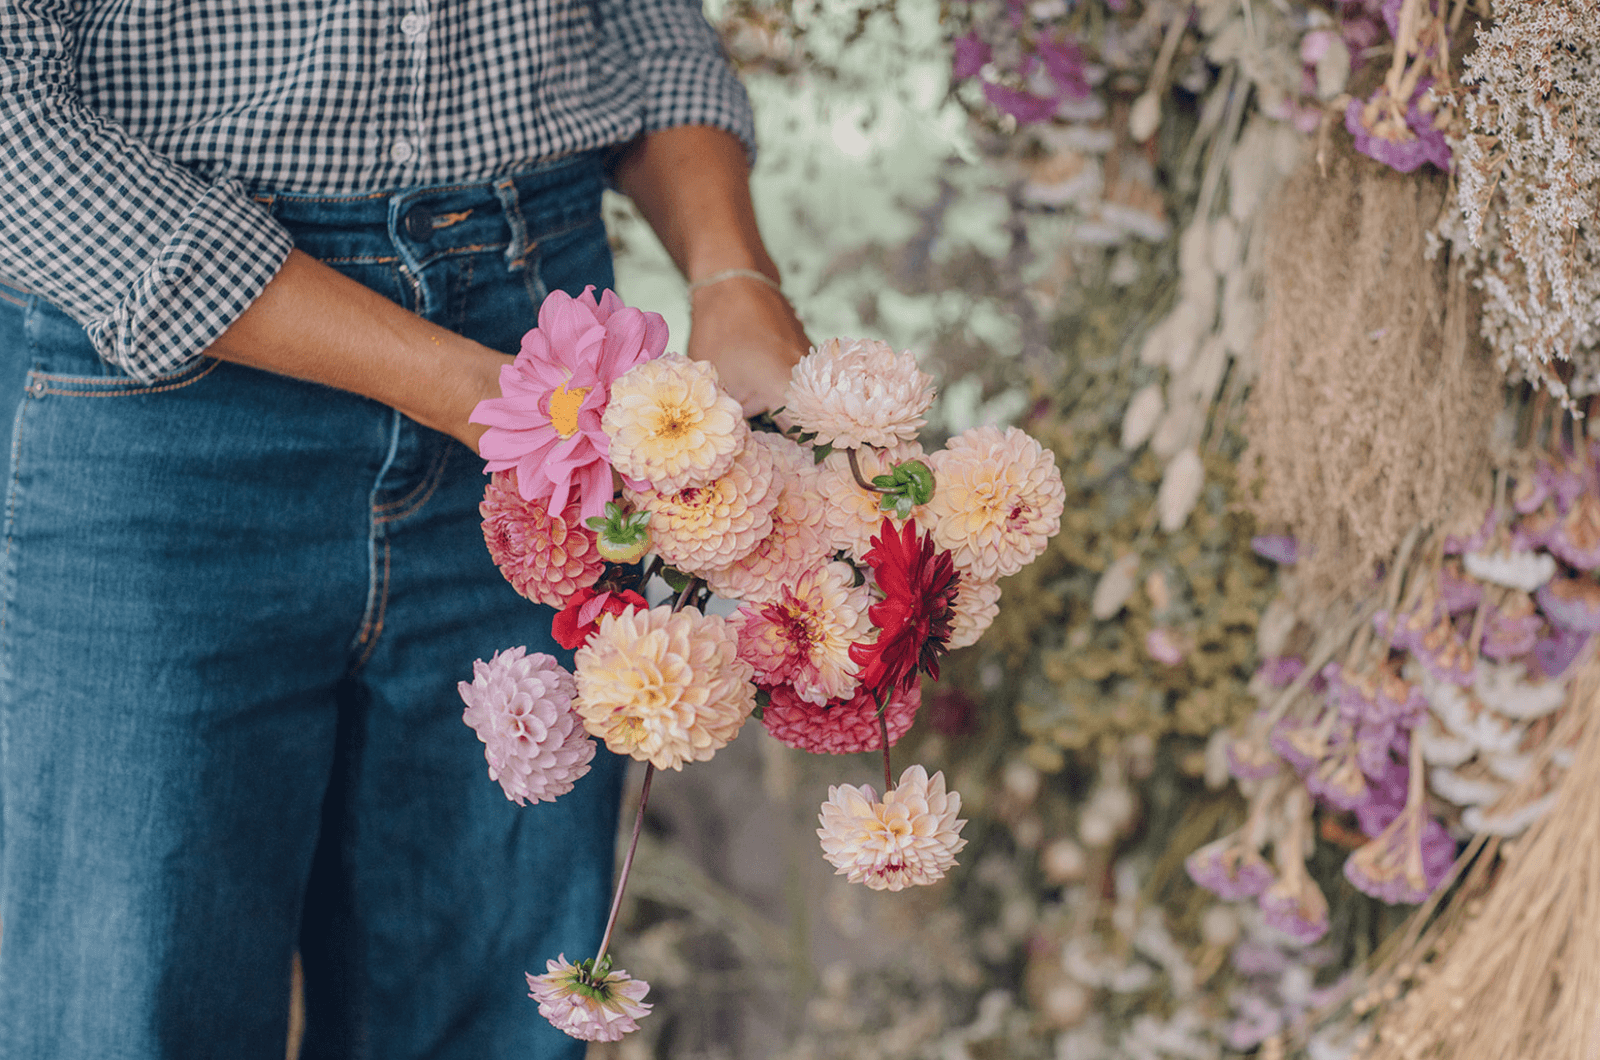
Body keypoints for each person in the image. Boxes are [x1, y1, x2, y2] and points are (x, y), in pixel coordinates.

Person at [0, 0, 808, 1056]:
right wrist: (484, 396)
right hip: (160, 376)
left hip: (539, 308)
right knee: (133, 1013)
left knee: (493, 1010)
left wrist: (732, 273)